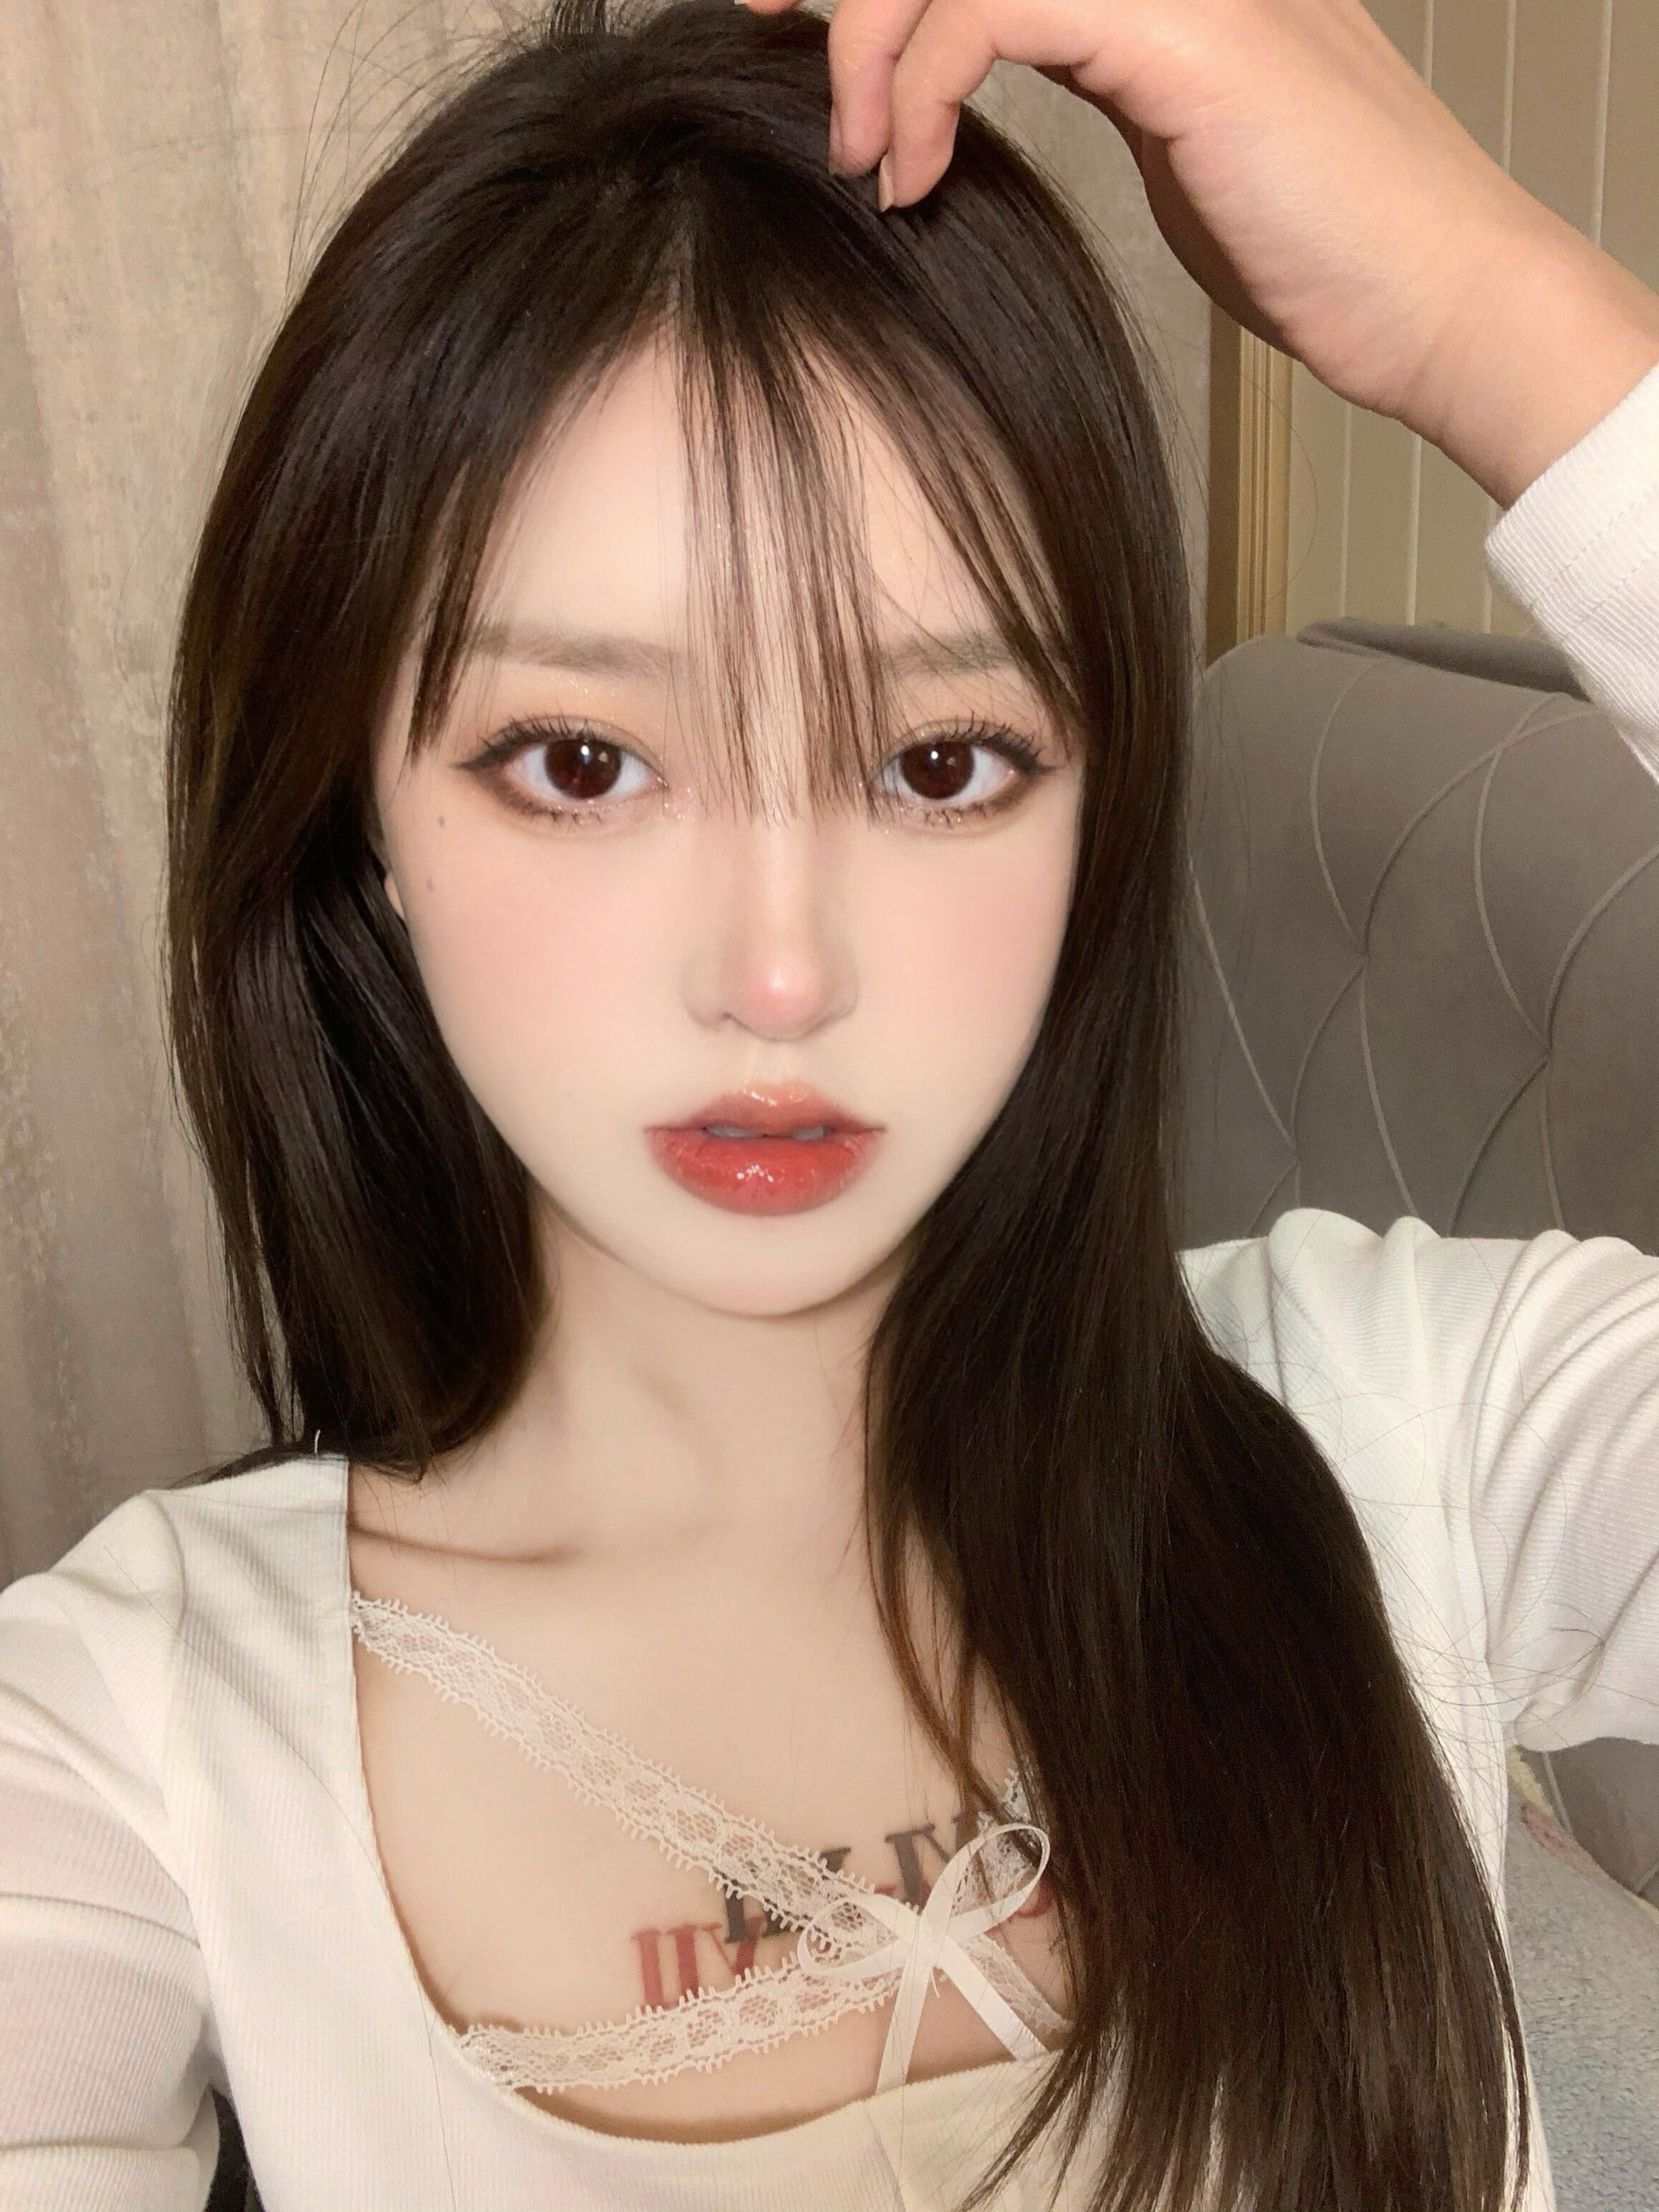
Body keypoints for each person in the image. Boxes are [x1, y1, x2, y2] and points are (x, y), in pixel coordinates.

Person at [0, 0, 1655, 2207]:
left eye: (938, 762)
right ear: (363, 827)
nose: (778, 974)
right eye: (581, 761)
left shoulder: (1424, 1432)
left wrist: (1502, 324)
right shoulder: (122, 1750)